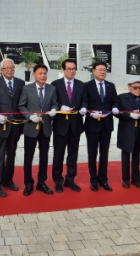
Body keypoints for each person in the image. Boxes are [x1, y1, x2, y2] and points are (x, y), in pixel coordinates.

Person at [18, 63, 58, 196]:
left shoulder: (52, 88)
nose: (43, 76)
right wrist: (30, 116)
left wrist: (54, 110)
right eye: (40, 73)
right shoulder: (27, 89)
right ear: (34, 74)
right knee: (28, 157)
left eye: (45, 73)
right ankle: (28, 184)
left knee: (44, 156)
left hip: (45, 128)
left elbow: (54, 103)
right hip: (31, 128)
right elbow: (21, 106)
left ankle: (42, 182)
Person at [51, 58, 87, 193]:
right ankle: (58, 180)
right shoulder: (55, 84)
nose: (72, 71)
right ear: (63, 70)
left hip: (76, 125)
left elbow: (85, 100)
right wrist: (61, 107)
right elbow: (52, 101)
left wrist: (84, 108)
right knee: (58, 154)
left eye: (74, 69)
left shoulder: (81, 85)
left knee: (73, 154)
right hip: (61, 125)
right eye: (69, 69)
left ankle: (70, 179)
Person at [0, 58, 25, 196]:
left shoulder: (20, 83)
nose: (9, 70)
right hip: (1, 125)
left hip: (15, 125)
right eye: (6, 68)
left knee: (11, 154)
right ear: (1, 70)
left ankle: (8, 180)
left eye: (11, 68)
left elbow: (22, 103)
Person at [84, 61, 119, 192]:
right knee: (92, 153)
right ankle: (93, 180)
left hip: (106, 125)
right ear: (93, 71)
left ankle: (103, 179)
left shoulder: (111, 86)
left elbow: (115, 100)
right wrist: (89, 111)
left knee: (104, 154)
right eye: (99, 69)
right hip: (92, 124)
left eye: (104, 69)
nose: (102, 72)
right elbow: (84, 101)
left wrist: (115, 107)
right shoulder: (87, 86)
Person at [117, 78, 140, 189]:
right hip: (127, 130)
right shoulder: (122, 97)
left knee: (136, 156)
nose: (138, 90)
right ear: (129, 87)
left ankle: (136, 179)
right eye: (135, 87)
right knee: (126, 156)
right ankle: (125, 180)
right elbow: (117, 113)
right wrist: (129, 115)